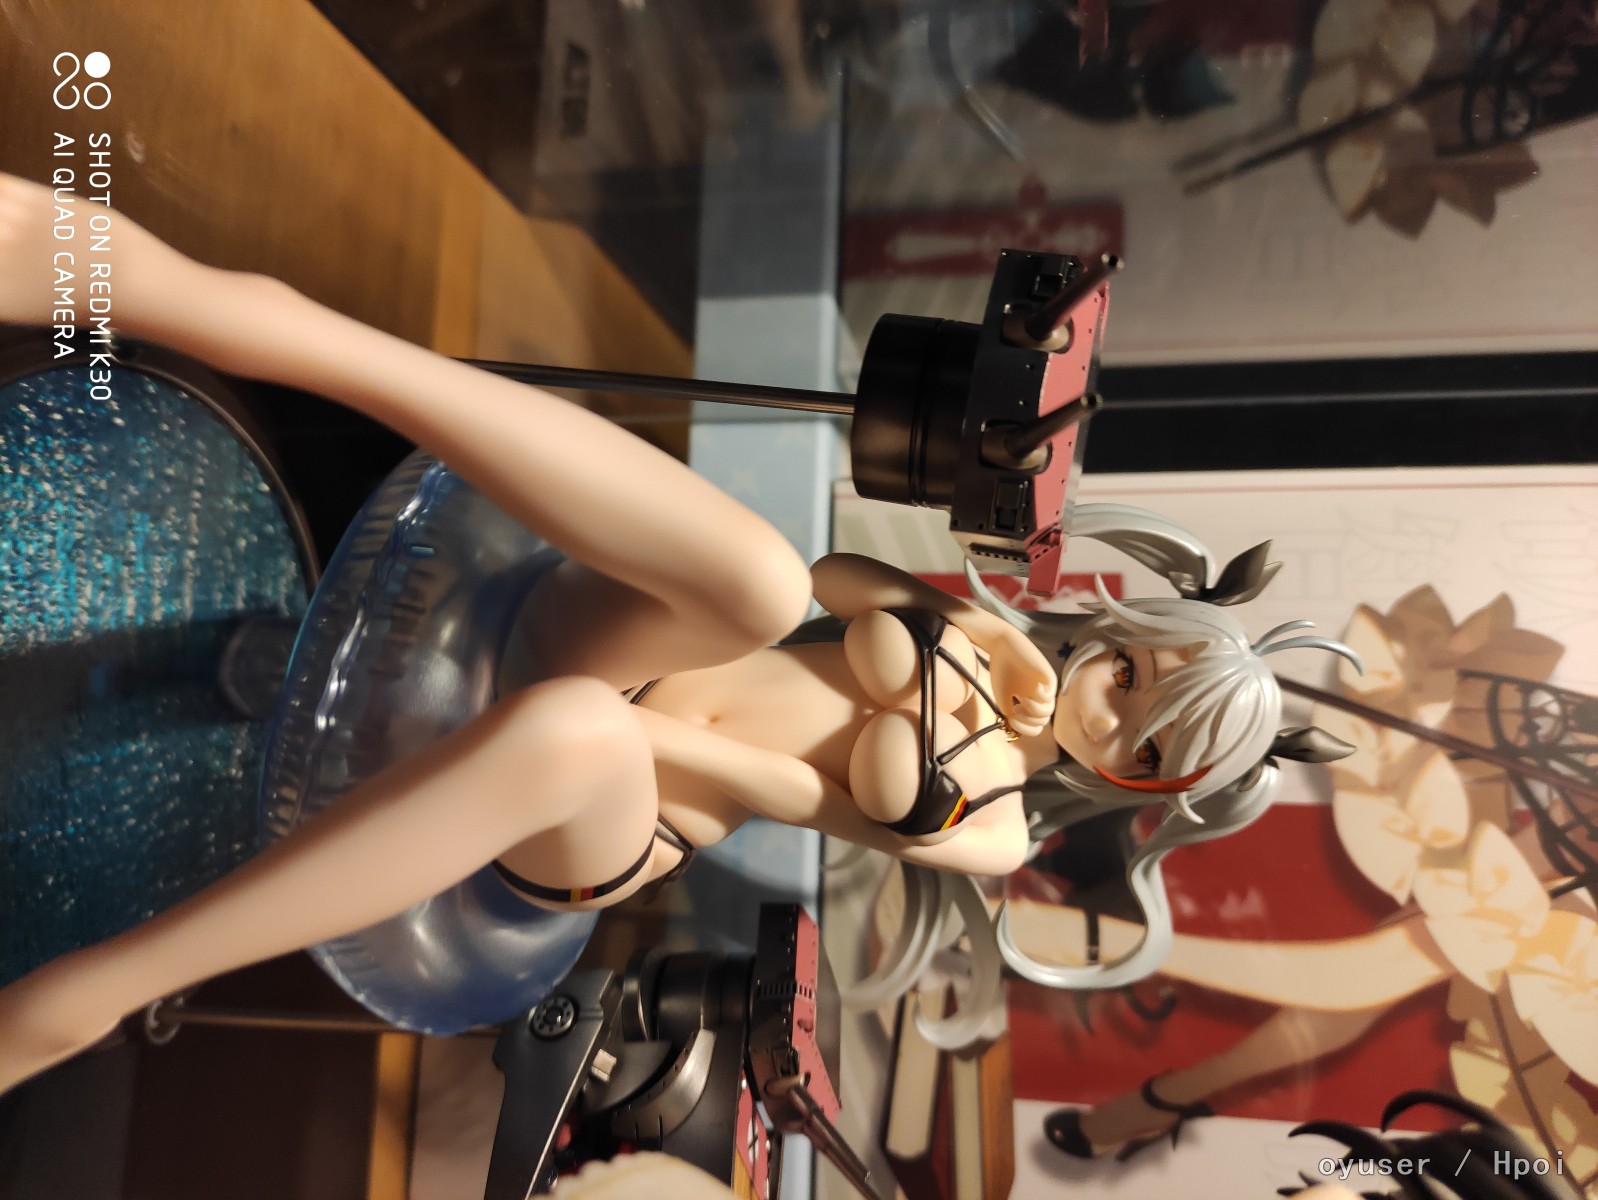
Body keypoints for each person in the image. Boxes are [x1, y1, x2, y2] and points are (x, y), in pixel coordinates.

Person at [0, 172, 1351, 1099]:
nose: (1108, 698)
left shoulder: (996, 829)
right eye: (1131, 667)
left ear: (1140, 782)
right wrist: (982, 636)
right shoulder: (992, 654)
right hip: (612, 641)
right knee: (757, 580)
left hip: (609, 820)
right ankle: (196, 298)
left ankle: (95, 991)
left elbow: (796, 796)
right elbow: (832, 580)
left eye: (1140, 731)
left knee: (580, 731)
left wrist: (651, 741)